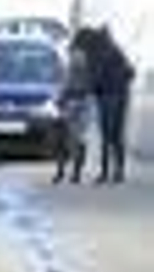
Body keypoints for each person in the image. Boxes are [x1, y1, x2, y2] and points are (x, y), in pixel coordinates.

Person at [86, 22, 135, 182]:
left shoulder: (100, 53)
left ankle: (107, 172)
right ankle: (118, 171)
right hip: (121, 96)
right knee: (116, 136)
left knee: (107, 136)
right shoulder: (116, 51)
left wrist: (93, 89)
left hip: (108, 96)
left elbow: (96, 77)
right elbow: (131, 72)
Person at [56, 33, 94, 183]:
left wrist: (61, 98)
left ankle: (65, 172)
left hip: (75, 100)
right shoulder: (86, 60)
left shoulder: (75, 59)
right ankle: (74, 173)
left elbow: (68, 82)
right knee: (77, 138)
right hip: (81, 100)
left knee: (68, 138)